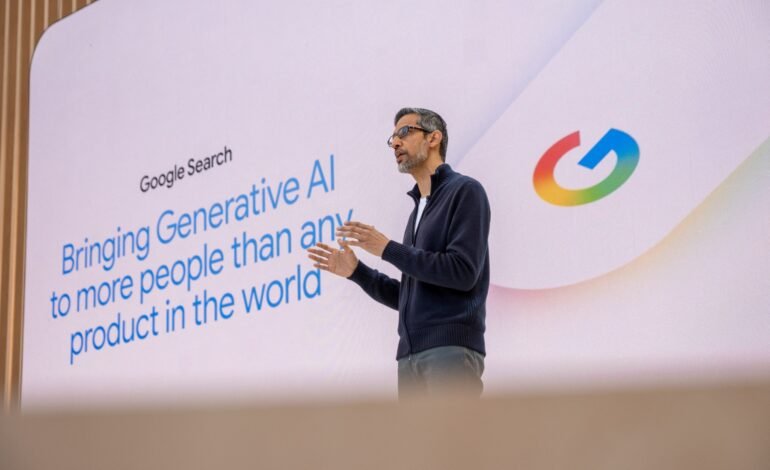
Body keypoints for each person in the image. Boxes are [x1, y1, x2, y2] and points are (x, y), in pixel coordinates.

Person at [307, 107, 490, 399]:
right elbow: (410, 297)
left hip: (449, 352)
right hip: (409, 358)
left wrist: (387, 249)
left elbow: (462, 272)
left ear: (434, 138)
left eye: (404, 132)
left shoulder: (465, 191)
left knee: (453, 432)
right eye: (392, 138)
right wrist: (358, 272)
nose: (395, 143)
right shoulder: (418, 212)